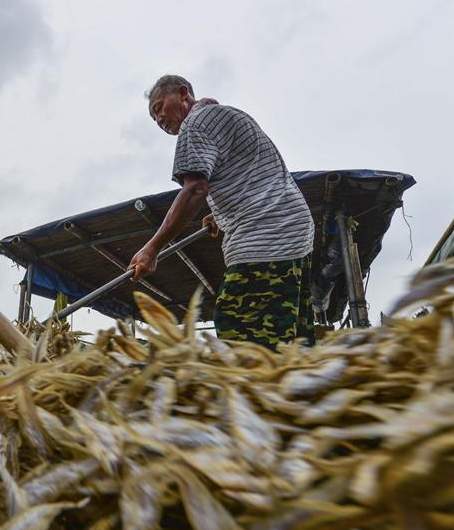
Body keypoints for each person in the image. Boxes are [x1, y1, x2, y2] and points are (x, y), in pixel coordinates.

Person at [128, 75, 315, 349]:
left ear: (183, 94)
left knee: (238, 338)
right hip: (295, 234)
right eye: (153, 117)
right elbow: (250, 175)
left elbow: (194, 190)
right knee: (291, 348)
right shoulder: (228, 115)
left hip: (265, 238)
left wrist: (152, 249)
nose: (158, 120)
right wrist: (221, 215)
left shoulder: (194, 124)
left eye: (159, 108)